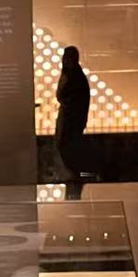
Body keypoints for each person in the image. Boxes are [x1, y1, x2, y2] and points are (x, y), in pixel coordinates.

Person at [55, 45, 91, 179]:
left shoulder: (75, 78)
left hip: (72, 120)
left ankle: (74, 175)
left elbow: (65, 96)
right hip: (70, 119)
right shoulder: (74, 76)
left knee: (68, 147)